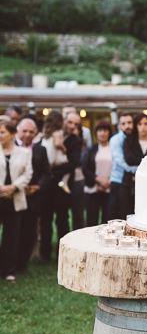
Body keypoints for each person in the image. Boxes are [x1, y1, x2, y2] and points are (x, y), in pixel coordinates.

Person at [40, 111, 82, 261]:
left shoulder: (76, 141)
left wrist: (53, 172)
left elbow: (73, 162)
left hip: (62, 186)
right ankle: (44, 253)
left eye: (76, 124)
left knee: (62, 220)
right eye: (70, 122)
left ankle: (61, 253)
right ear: (64, 121)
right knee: (45, 218)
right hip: (47, 184)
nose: (72, 126)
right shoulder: (50, 134)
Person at [15, 118, 51, 273]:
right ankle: (9, 263)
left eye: (31, 131)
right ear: (17, 131)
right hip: (14, 195)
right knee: (14, 230)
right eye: (24, 131)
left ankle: (22, 264)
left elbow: (46, 173)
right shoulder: (11, 147)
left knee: (29, 231)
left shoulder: (40, 150)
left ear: (36, 133)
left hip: (33, 196)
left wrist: (38, 187)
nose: (27, 134)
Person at [0, 118, 33, 282]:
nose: (0, 135)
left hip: (15, 198)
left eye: (2, 132)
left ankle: (8, 270)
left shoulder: (24, 153)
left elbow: (28, 174)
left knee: (11, 236)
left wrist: (13, 187)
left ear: (12, 134)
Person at [120, 113, 147, 217]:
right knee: (126, 215)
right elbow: (129, 159)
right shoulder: (129, 141)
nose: (143, 127)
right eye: (140, 124)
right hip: (128, 185)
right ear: (136, 126)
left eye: (145, 124)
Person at [82, 121, 113, 227]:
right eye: (100, 131)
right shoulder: (91, 149)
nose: (102, 133)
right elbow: (85, 168)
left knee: (107, 222)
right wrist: (98, 180)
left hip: (109, 189)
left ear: (109, 132)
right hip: (93, 189)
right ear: (96, 133)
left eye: (105, 130)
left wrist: (108, 182)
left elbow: (117, 167)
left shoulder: (114, 149)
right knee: (91, 221)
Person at [108, 113, 133, 221]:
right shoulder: (115, 140)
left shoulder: (134, 139)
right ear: (119, 126)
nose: (127, 126)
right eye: (123, 123)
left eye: (129, 122)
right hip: (117, 181)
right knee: (115, 215)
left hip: (131, 183)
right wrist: (137, 170)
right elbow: (121, 162)